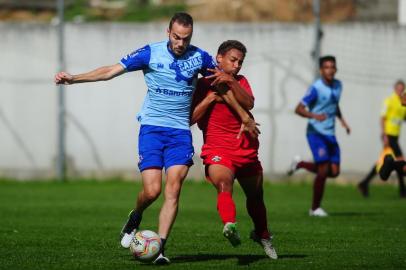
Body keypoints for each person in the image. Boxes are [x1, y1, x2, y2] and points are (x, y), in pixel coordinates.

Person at [54, 12, 217, 264]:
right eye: (176, 37)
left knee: (173, 189)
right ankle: (136, 215)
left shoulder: (200, 57)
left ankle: (159, 249)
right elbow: (110, 70)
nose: (181, 43)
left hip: (180, 133)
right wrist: (74, 79)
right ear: (168, 32)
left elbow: (224, 81)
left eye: (186, 38)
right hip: (152, 129)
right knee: (152, 191)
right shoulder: (150, 52)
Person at [190, 40, 277, 259]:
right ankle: (230, 224)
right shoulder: (201, 85)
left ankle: (263, 234)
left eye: (240, 62)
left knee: (256, 196)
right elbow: (190, 118)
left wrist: (232, 82)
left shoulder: (241, 81)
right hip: (217, 147)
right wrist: (210, 98)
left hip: (245, 147)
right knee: (223, 183)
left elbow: (248, 103)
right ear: (219, 58)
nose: (237, 65)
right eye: (233, 60)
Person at [287, 56, 351, 217]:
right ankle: (315, 208)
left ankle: (300, 164)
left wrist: (342, 120)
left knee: (334, 172)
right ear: (321, 70)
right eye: (326, 67)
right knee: (323, 169)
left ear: (336, 69)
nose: (330, 70)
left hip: (330, 133)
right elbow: (298, 109)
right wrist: (314, 116)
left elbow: (334, 104)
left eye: (332, 67)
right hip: (316, 133)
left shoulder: (338, 85)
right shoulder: (316, 88)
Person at [358, 80, 406, 198]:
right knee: (399, 160)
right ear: (395, 89)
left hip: (395, 135)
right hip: (388, 135)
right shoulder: (389, 100)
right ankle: (402, 191)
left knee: (385, 162)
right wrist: (384, 135)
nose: (400, 90)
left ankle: (364, 183)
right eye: (398, 88)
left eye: (402, 88)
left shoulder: (403, 102)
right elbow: (383, 118)